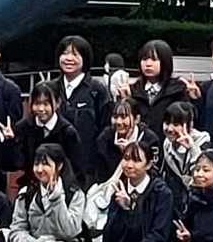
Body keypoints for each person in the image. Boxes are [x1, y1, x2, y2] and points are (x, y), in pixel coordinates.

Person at [53, 36, 110, 178]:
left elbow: (106, 128)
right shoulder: (51, 88)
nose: (69, 58)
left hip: (87, 169)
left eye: (75, 54)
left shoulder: (97, 90)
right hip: (54, 166)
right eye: (65, 53)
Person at [94, 140, 172, 242]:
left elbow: (159, 234)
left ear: (148, 165)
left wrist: (129, 209)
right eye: (126, 159)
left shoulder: (161, 193)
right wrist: (123, 210)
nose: (129, 165)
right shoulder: (119, 190)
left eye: (136, 160)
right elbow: (109, 233)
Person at [7, 145, 85, 242]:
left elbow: (70, 232)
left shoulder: (74, 194)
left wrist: (56, 199)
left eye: (45, 164)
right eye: (36, 164)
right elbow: (16, 230)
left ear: (59, 166)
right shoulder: (26, 193)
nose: (39, 170)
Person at [18, 84, 85, 189]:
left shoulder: (68, 132)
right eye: (37, 103)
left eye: (46, 104)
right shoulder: (23, 127)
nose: (41, 109)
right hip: (31, 186)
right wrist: (10, 142)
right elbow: (16, 164)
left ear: (57, 103)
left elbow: (77, 169)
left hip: (62, 188)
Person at [93, 99, 159, 186]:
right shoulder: (105, 137)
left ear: (137, 119)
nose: (118, 122)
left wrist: (130, 152)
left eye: (124, 117)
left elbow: (154, 173)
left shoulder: (149, 139)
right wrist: (120, 154)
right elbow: (99, 174)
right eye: (115, 117)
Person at [129, 42, 188, 138]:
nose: (148, 64)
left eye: (154, 59)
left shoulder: (178, 90)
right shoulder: (133, 90)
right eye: (144, 59)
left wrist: (195, 98)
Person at [156, 104, 207, 201]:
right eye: (167, 123)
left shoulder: (204, 143)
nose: (169, 129)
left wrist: (192, 148)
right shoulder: (167, 144)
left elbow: (204, 176)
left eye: (176, 124)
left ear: (189, 125)